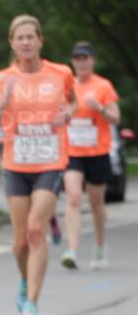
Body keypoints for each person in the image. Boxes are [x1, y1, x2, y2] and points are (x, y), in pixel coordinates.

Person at [0, 15, 76, 315]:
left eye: (30, 37)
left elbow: (73, 104)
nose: (25, 42)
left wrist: (69, 113)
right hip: (16, 164)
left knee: (36, 230)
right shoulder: (3, 79)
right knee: (20, 241)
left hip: (51, 161)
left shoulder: (61, 74)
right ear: (12, 43)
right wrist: (3, 103)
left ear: (40, 40)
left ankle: (32, 304)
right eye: (19, 37)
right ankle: (24, 280)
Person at [61, 41, 120, 270]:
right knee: (74, 197)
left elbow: (116, 118)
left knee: (96, 204)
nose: (81, 62)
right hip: (72, 151)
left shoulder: (103, 86)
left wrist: (100, 108)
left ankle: (99, 245)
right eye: (77, 58)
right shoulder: (67, 86)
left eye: (85, 58)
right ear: (73, 62)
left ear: (92, 60)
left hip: (97, 152)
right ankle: (72, 250)